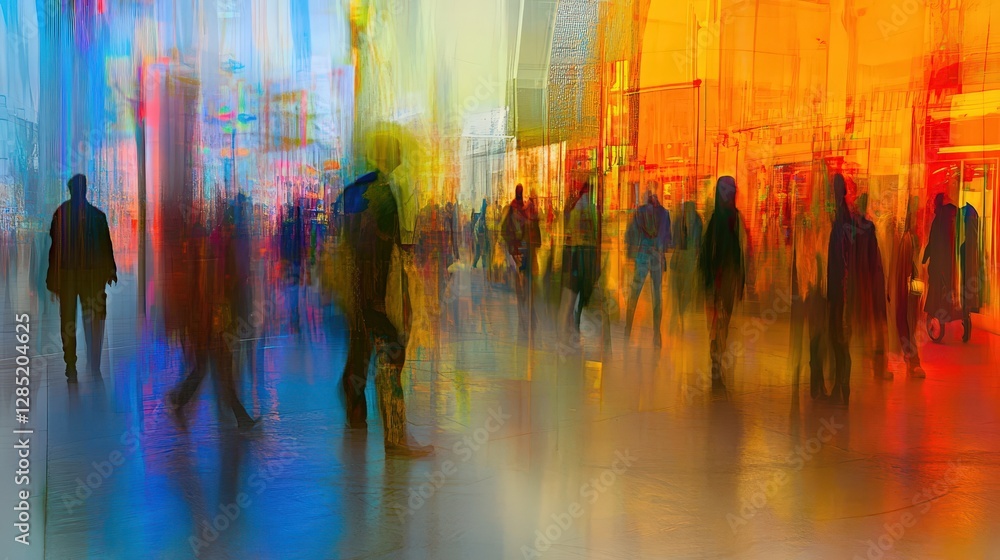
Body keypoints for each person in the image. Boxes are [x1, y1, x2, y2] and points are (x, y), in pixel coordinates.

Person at [340, 133, 431, 457]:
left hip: (360, 289)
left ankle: (356, 408)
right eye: (396, 150)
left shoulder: (360, 188)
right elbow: (376, 247)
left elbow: (356, 243)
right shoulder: (382, 194)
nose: (400, 157)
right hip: (373, 291)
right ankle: (395, 436)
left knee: (363, 350)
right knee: (392, 353)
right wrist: (381, 297)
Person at [168, 195, 258, 430]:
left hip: (211, 322)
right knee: (215, 370)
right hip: (211, 323)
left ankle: (181, 400)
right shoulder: (212, 254)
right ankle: (238, 416)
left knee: (209, 369)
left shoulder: (214, 251)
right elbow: (216, 290)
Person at [47, 174, 117, 381]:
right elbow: (105, 246)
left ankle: (74, 363)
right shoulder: (95, 216)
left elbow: (55, 249)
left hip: (74, 276)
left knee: (72, 319)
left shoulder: (63, 214)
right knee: (84, 318)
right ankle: (83, 363)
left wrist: (53, 281)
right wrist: (110, 270)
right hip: (86, 276)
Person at [698, 176, 749, 394]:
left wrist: (740, 280)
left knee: (722, 324)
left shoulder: (731, 219)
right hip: (719, 281)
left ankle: (717, 363)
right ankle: (716, 364)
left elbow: (739, 252)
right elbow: (709, 253)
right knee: (719, 324)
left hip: (725, 280)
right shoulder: (720, 220)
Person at [625, 190, 671, 347]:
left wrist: (630, 252)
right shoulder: (664, 214)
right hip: (656, 256)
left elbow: (631, 233)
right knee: (656, 294)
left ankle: (628, 329)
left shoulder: (640, 212)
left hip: (643, 254)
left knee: (635, 292)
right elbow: (668, 238)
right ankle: (656, 333)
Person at [826, 174, 857, 405]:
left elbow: (842, 255)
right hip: (841, 287)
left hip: (840, 288)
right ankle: (841, 384)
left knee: (840, 337)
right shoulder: (844, 215)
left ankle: (842, 384)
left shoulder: (841, 217)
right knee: (839, 337)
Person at [855, 194, 890, 379]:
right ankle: (878, 367)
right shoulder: (868, 228)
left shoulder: (853, 227)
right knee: (877, 326)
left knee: (867, 326)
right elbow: (872, 259)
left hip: (861, 283)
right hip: (870, 282)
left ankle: (868, 363)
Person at [502, 184, 542, 341]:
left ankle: (526, 318)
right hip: (522, 255)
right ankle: (527, 318)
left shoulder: (519, 210)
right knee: (526, 288)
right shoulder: (522, 211)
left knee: (525, 288)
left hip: (522, 255)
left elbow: (506, 231)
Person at [890, 196, 925, 377]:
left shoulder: (911, 238)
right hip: (908, 290)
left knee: (910, 323)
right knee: (908, 323)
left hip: (911, 290)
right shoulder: (907, 239)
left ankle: (911, 357)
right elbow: (907, 267)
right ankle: (912, 359)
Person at [562, 176, 600, 339]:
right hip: (586, 251)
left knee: (577, 285)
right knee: (584, 283)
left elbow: (570, 230)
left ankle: (574, 314)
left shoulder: (578, 207)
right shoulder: (590, 208)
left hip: (579, 251)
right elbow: (595, 231)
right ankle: (576, 312)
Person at [923, 193, 958, 323]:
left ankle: (933, 313)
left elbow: (932, 242)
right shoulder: (952, 219)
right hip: (949, 262)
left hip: (938, 263)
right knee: (947, 288)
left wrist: (924, 259)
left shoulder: (938, 221)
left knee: (935, 290)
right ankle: (948, 311)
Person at [670, 201, 702, 334]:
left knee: (685, 287)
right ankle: (679, 311)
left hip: (686, 257)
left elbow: (697, 240)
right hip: (683, 257)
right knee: (683, 287)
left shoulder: (694, 221)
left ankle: (680, 311)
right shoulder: (684, 220)